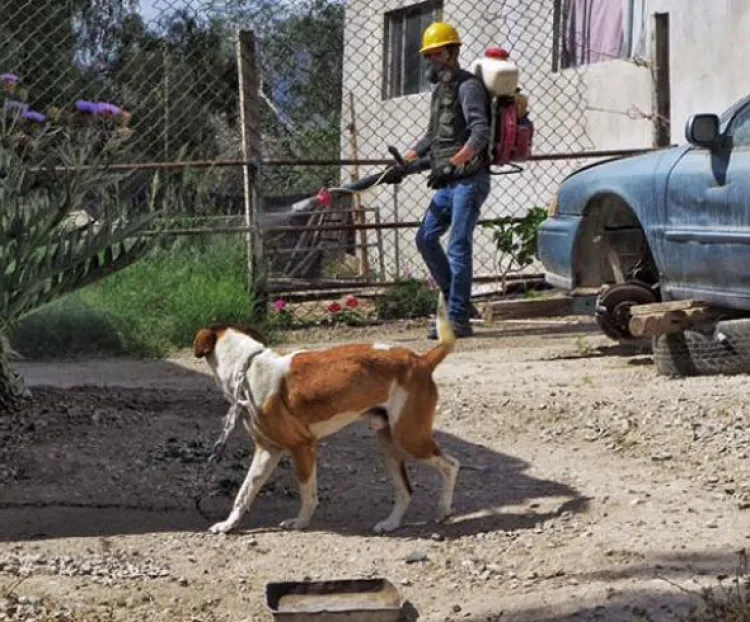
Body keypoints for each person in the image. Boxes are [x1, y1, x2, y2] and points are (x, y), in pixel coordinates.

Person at [404, 22, 491, 339]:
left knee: (458, 246)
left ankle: (457, 320)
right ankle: (461, 303)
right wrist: (409, 157)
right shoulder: (441, 90)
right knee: (425, 238)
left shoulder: (469, 87)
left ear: (453, 53)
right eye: (428, 56)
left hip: (469, 180)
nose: (431, 61)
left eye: (436, 54)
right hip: (447, 182)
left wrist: (451, 164)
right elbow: (432, 136)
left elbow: (481, 133)